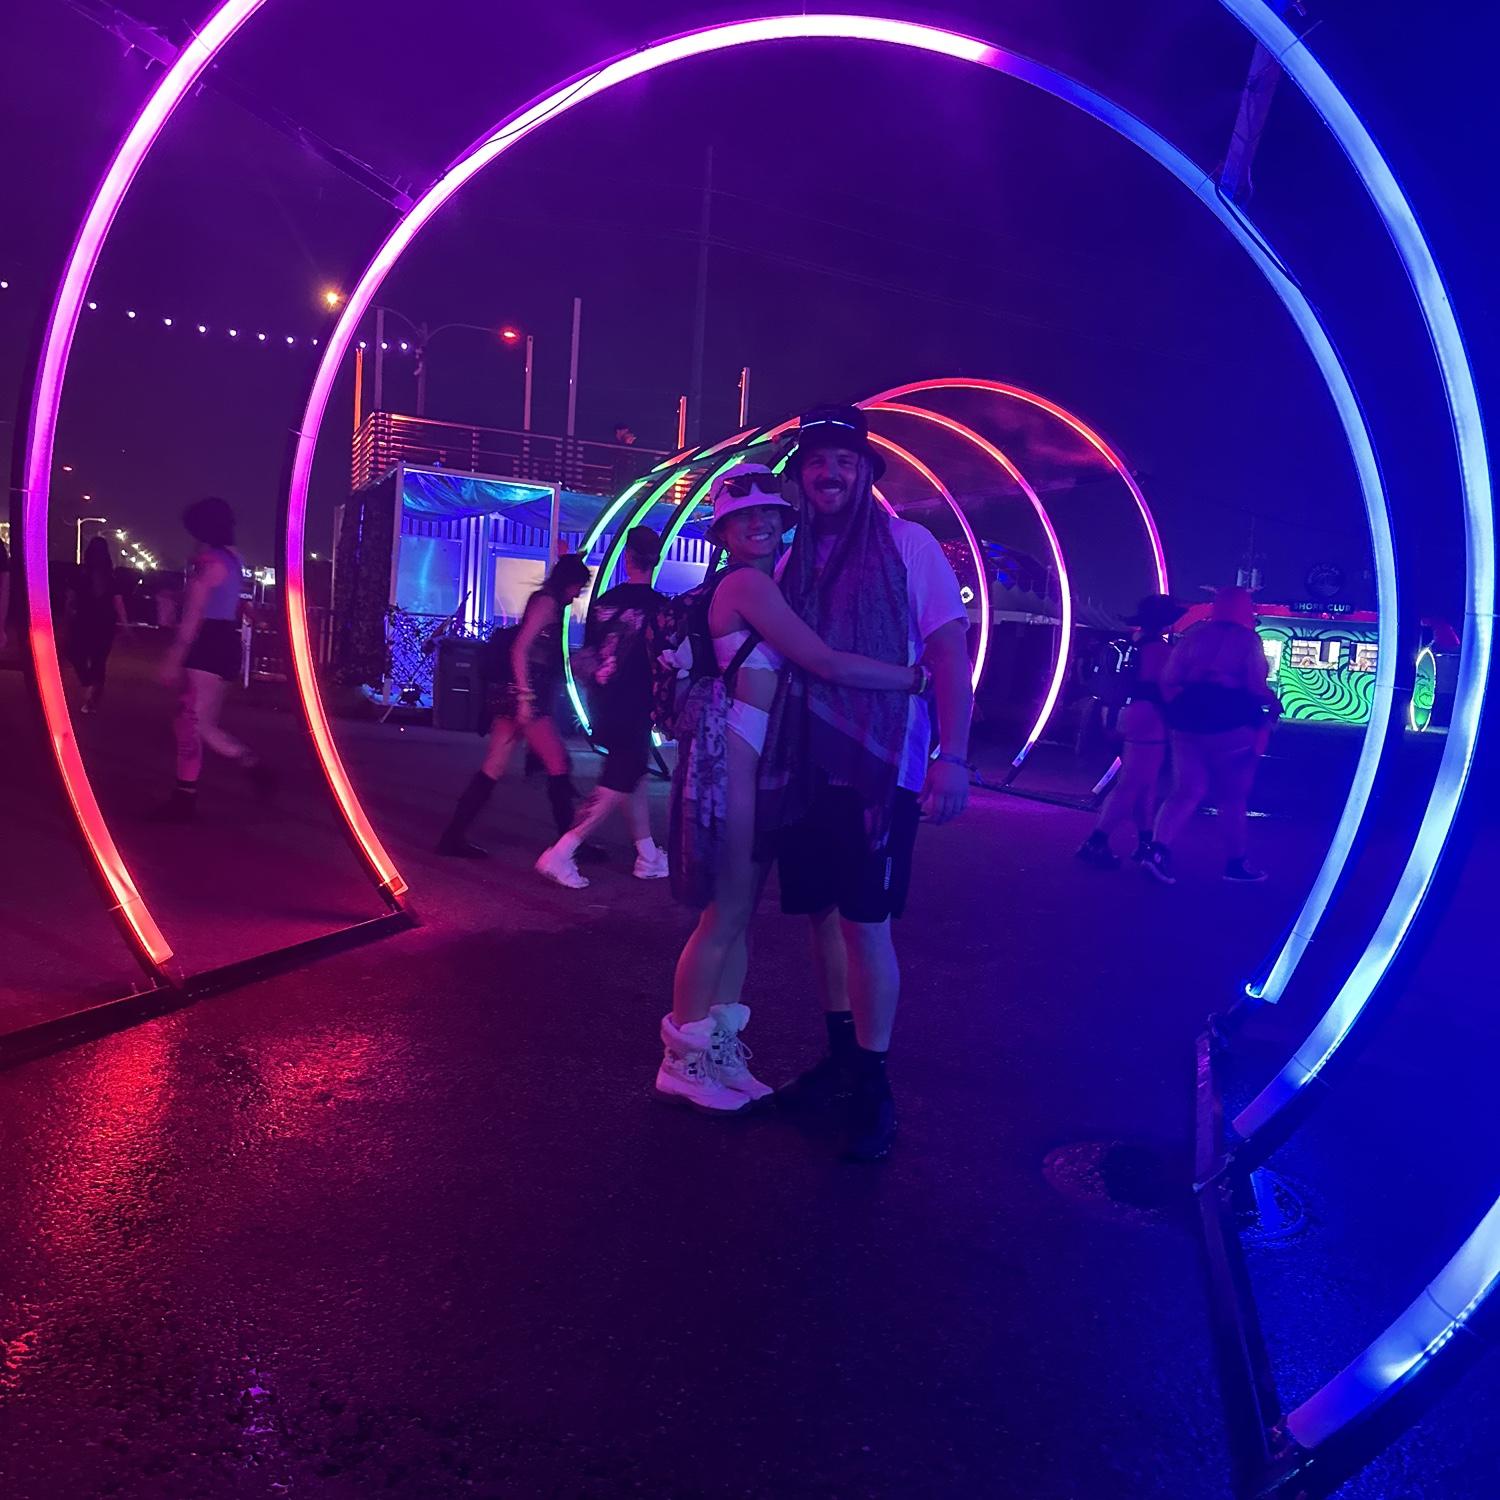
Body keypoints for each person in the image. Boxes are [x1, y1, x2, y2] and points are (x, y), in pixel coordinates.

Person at [658, 462, 931, 1115]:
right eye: (742, 516)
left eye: (767, 513)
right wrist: (912, 679)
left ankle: (717, 1052)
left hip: (752, 754)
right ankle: (681, 1062)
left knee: (738, 915)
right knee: (723, 915)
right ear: (723, 531)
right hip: (738, 753)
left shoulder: (763, 580)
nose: (758, 523)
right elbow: (823, 660)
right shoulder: (748, 583)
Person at [761, 407, 974, 1162]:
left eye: (845, 461)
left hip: (881, 767)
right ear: (800, 474)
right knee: (820, 914)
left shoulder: (909, 545)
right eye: (817, 460)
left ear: (866, 474)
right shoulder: (788, 559)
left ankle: (873, 1082)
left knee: (867, 920)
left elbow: (948, 653)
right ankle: (840, 1060)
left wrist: (953, 756)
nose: (829, 473)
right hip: (804, 759)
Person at [535, 527, 668, 889]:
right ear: (657, 559)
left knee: (631, 773)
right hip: (636, 703)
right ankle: (563, 851)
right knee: (615, 782)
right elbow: (664, 660)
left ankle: (647, 855)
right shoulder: (661, 608)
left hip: (603, 703)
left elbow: (590, 655)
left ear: (627, 558)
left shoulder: (604, 602)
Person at [437, 551, 591, 858]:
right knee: (558, 763)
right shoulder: (547, 603)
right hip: (527, 697)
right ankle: (569, 846)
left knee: (494, 766)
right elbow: (520, 649)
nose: (578, 594)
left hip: (519, 695)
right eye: (578, 587)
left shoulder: (547, 601)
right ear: (569, 583)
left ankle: (452, 837)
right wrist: (524, 697)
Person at [1141, 585, 1281, 885]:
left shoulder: (1194, 636)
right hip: (1231, 723)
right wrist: (1271, 703)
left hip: (1188, 720)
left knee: (1185, 791)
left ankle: (1157, 850)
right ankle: (1236, 863)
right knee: (1232, 797)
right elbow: (1255, 683)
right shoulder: (1247, 640)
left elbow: (1169, 679)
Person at [154, 498, 272, 821]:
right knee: (202, 723)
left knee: (189, 723)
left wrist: (174, 656)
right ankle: (250, 763)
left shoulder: (208, 564)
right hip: (225, 641)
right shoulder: (232, 560)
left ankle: (185, 798)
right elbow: (219, 600)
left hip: (206, 645)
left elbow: (194, 613)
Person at [1076, 594, 1182, 868]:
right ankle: (1096, 841)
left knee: (1143, 782)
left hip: (1124, 712)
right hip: (1150, 717)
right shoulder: (1159, 650)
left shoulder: (1133, 643)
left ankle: (1144, 841)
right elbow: (1165, 688)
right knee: (1132, 784)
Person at [64, 535, 128, 714]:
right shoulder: (111, 577)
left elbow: (69, 600)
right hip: (105, 623)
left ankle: (88, 683)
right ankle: (93, 697)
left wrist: (67, 620)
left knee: (75, 654)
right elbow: (118, 603)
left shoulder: (79, 574)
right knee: (99, 660)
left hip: (83, 621)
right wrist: (125, 625)